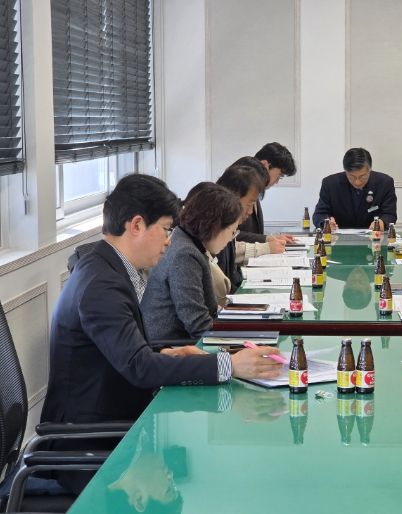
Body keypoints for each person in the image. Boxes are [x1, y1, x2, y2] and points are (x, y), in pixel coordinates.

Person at [40, 174, 282, 492]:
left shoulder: (107, 268)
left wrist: (168, 353)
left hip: (116, 425)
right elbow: (139, 368)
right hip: (91, 449)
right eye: (167, 229)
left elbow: (129, 354)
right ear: (137, 225)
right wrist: (229, 365)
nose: (170, 240)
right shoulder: (102, 286)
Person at [141, 183, 242, 339]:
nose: (230, 239)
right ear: (215, 226)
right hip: (172, 345)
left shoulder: (186, 241)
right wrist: (240, 337)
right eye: (232, 232)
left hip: (183, 340)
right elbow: (197, 324)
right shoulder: (185, 254)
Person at [215, 164, 285, 292]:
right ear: (234, 196)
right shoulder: (215, 232)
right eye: (250, 204)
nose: (251, 211)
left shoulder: (227, 228)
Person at [312, 147, 397, 230]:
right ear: (345, 171)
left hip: (374, 235)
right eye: (352, 177)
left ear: (369, 170)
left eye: (362, 176)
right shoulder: (330, 184)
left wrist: (382, 222)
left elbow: (390, 214)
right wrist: (326, 223)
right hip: (339, 236)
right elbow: (319, 214)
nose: (357, 182)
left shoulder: (385, 183)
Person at [235, 145, 297, 244]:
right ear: (265, 165)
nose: (277, 181)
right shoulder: (237, 186)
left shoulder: (255, 188)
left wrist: (271, 238)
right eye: (280, 175)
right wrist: (266, 240)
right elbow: (230, 234)